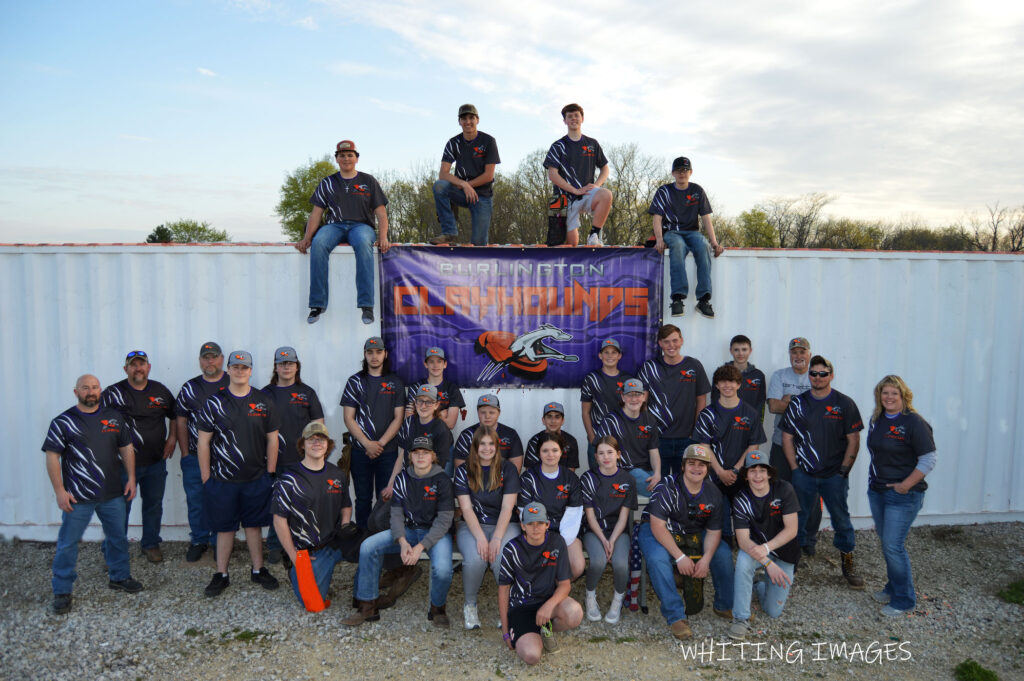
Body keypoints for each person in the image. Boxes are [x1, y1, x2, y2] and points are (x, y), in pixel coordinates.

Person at [45, 374, 142, 615]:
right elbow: (52, 457)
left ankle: (119, 576)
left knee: (118, 537)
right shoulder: (64, 421)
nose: (91, 391)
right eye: (85, 388)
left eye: (95, 387)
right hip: (78, 496)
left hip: (112, 492)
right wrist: (59, 491)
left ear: (100, 390)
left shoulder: (113, 417)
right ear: (76, 391)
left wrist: (131, 477)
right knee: (68, 543)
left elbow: (126, 448)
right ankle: (62, 591)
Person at [344, 437, 454, 627]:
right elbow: (396, 514)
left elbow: (444, 520)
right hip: (408, 531)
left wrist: (420, 547)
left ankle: (437, 608)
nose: (421, 456)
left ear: (433, 456)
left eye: (425, 453)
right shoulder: (403, 477)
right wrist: (402, 542)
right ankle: (367, 606)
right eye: (416, 452)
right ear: (410, 456)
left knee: (443, 569)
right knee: (368, 546)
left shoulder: (442, 479)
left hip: (435, 534)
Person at [196, 350, 281, 597]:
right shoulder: (215, 402)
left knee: (254, 526)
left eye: (245, 368)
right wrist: (205, 476)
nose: (240, 371)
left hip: (255, 478)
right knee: (225, 528)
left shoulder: (263, 401)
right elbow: (203, 443)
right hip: (222, 480)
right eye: (236, 367)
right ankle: (221, 574)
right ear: (229, 370)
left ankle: (258, 570)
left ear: (251, 371)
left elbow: (273, 440)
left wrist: (271, 473)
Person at [780, 355, 865, 588]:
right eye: (814, 373)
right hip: (804, 475)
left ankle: (848, 563)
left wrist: (843, 471)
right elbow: (787, 438)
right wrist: (795, 469)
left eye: (823, 373)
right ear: (810, 376)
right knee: (797, 520)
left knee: (841, 520)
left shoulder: (844, 403)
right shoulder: (798, 403)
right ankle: (791, 564)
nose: (818, 377)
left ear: (831, 375)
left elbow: (853, 439)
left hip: (834, 476)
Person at [638, 443, 734, 641]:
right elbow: (658, 526)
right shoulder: (666, 486)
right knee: (657, 558)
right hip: (658, 529)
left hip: (693, 530)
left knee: (722, 553)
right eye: (691, 463)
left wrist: (706, 559)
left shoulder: (713, 492)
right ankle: (675, 616)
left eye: (702, 464)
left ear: (708, 469)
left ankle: (724, 604)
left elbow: (714, 531)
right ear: (682, 466)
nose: (696, 468)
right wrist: (680, 556)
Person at [295, 139, 390, 325]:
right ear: (336, 159)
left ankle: (366, 306)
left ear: (356, 158)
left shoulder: (368, 181)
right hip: (334, 225)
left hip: (361, 226)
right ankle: (317, 305)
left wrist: (383, 237)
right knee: (319, 243)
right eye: (342, 155)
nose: (346, 158)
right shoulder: (327, 182)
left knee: (363, 244)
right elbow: (316, 213)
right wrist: (306, 238)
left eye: (350, 155)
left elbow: (381, 213)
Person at [866, 375, 936, 616]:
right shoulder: (877, 419)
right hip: (878, 491)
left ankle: (904, 600)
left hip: (903, 495)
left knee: (893, 545)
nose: (889, 397)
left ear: (903, 395)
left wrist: (906, 484)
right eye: (885, 393)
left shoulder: (914, 422)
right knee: (887, 544)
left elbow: (928, 459)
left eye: (894, 393)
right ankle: (892, 587)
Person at [100, 350, 177, 564]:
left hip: (155, 462)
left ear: (148, 367)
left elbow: (175, 415)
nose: (138, 368)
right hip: (122, 466)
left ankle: (150, 544)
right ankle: (113, 550)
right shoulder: (112, 393)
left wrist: (172, 438)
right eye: (133, 365)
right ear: (126, 369)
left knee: (153, 505)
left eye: (141, 364)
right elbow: (97, 422)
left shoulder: (160, 391)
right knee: (119, 509)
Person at [271, 422, 353, 609]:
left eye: (321, 439)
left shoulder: (337, 474)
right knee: (313, 605)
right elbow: (279, 519)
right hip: (307, 551)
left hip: (334, 542)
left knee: (367, 547)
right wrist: (293, 555)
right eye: (311, 440)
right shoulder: (288, 479)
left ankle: (362, 597)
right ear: (302, 445)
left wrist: (345, 526)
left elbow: (346, 506)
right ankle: (296, 568)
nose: (317, 443)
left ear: (328, 444)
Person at [498, 501, 584, 665]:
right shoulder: (512, 549)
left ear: (547, 524)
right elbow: (503, 589)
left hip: (547, 602)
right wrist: (505, 631)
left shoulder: (557, 543)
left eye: (540, 523)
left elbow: (565, 584)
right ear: (523, 526)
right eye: (530, 523)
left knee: (575, 613)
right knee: (532, 656)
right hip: (521, 607)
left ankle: (545, 629)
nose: (535, 528)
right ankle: (532, 632)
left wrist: (549, 605)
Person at [262, 346, 325, 566]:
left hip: (301, 461)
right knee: (277, 505)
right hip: (275, 460)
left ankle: (301, 544)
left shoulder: (306, 392)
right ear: (276, 367)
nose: (286, 367)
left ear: (297, 366)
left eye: (290, 363)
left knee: (302, 504)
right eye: (282, 363)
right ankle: (274, 545)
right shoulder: (265, 394)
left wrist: (315, 455)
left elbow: (318, 425)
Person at [454, 426, 522, 630]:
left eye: (491, 443)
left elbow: (508, 507)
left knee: (501, 557)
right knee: (475, 559)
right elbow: (465, 508)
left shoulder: (508, 469)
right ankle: (470, 604)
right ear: (475, 446)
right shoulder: (463, 470)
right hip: (473, 525)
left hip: (504, 524)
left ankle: (508, 607)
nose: (487, 448)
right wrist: (481, 539)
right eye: (482, 443)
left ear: (497, 446)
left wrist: (497, 539)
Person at [728, 450, 800, 640]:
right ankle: (741, 619)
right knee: (743, 564)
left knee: (773, 611)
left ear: (769, 473)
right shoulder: (741, 499)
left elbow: (792, 530)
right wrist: (768, 563)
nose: (758, 476)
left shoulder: (784, 489)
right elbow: (743, 540)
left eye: (762, 470)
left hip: (783, 551)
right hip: (755, 549)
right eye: (752, 471)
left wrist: (768, 549)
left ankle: (758, 585)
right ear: (746, 475)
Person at [694, 363, 767, 547]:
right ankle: (723, 547)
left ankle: (748, 548)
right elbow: (704, 446)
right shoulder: (707, 414)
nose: (728, 386)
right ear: (717, 385)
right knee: (719, 516)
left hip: (741, 475)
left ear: (739, 384)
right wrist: (720, 472)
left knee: (745, 514)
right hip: (714, 475)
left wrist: (735, 469)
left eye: (732, 382)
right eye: (723, 382)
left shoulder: (750, 413)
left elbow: (754, 445)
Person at [648, 156, 724, 318]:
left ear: (691, 172)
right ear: (673, 173)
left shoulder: (697, 191)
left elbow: (705, 218)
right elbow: (657, 217)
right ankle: (677, 297)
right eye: (678, 171)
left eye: (685, 170)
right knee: (678, 246)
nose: (682, 174)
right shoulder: (664, 191)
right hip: (672, 232)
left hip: (693, 232)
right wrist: (659, 239)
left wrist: (715, 243)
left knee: (703, 246)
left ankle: (703, 299)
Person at [341, 337, 405, 527]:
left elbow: (399, 418)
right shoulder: (355, 381)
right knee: (362, 499)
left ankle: (381, 540)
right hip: (361, 451)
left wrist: (381, 444)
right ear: (365, 355)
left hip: (389, 451)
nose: (374, 356)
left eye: (378, 352)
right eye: (370, 352)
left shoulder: (395, 382)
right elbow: (348, 418)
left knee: (385, 498)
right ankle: (362, 539)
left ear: (385, 354)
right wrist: (368, 443)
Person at [175, 341, 230, 562]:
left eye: (214, 356)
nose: (210, 361)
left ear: (222, 359)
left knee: (222, 501)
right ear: (200, 361)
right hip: (195, 456)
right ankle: (199, 539)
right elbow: (180, 421)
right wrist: (185, 453)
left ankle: (220, 542)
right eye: (205, 357)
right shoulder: (189, 388)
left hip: (225, 458)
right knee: (196, 500)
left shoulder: (233, 382)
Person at [766, 337, 822, 546]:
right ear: (790, 355)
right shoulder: (780, 375)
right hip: (781, 444)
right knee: (778, 489)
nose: (798, 356)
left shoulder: (817, 376)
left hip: (810, 447)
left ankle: (808, 538)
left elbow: (821, 411)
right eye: (794, 352)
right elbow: (773, 406)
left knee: (812, 494)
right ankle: (780, 536)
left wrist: (790, 401)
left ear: (809, 354)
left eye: (802, 352)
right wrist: (806, 405)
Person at [638, 324, 710, 479]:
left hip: (687, 439)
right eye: (666, 341)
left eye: (675, 340)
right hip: (657, 440)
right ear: (660, 344)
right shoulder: (649, 367)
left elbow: (701, 400)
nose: (671, 345)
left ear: (682, 341)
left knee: (685, 487)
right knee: (659, 488)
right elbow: (641, 403)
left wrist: (696, 431)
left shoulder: (694, 365)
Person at [580, 436, 638, 624]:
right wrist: (604, 540)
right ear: (595, 457)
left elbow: (624, 517)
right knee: (598, 561)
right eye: (601, 453)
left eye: (610, 452)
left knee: (621, 564)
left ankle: (617, 601)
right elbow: (589, 516)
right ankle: (590, 596)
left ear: (618, 455)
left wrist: (612, 540)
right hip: (594, 531)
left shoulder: (627, 480)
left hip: (618, 531)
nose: (606, 457)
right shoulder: (588, 478)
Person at [429, 104, 501, 246]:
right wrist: (463, 185)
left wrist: (469, 185)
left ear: (477, 120)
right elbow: (443, 174)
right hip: (461, 192)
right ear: (459, 122)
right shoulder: (453, 143)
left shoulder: (488, 141)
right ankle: (449, 231)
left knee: (479, 244)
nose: (468, 122)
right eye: (464, 118)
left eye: (471, 118)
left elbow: (489, 176)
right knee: (439, 186)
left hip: (482, 195)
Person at [543, 103, 613, 247]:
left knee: (606, 195)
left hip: (585, 195)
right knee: (568, 245)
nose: (573, 119)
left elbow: (605, 168)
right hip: (561, 199)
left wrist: (596, 186)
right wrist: (575, 190)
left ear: (582, 118)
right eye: (569, 116)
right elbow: (552, 175)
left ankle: (594, 235)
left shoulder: (592, 144)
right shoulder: (558, 146)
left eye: (576, 115)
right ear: (565, 121)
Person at [517, 433, 585, 579]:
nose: (550, 455)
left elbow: (574, 512)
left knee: (577, 566)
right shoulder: (528, 478)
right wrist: (542, 535)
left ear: (561, 452)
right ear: (538, 453)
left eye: (555, 450)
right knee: (537, 565)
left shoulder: (571, 478)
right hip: (536, 530)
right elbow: (525, 512)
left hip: (565, 531)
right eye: (545, 450)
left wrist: (560, 541)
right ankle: (542, 593)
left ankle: (556, 592)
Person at [594, 378, 662, 497]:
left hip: (646, 470)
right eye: (629, 395)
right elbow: (603, 454)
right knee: (661, 493)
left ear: (643, 397)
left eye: (637, 394)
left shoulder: (649, 420)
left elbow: (654, 451)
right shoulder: (611, 420)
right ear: (623, 397)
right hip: (624, 471)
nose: (634, 399)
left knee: (665, 487)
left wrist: (657, 473)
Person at [384, 384, 455, 493]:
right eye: (420, 401)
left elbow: (439, 467)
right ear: (415, 403)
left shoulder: (441, 429)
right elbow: (402, 455)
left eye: (429, 402)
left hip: (431, 478)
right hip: (411, 475)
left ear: (436, 405)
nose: (423, 406)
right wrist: (391, 483)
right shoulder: (408, 422)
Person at [581, 338, 634, 470]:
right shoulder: (591, 379)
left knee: (621, 480)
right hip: (599, 437)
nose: (610, 356)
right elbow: (585, 411)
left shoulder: (628, 380)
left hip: (622, 438)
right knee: (597, 478)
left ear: (619, 356)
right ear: (600, 355)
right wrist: (592, 437)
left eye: (614, 352)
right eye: (606, 352)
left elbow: (634, 409)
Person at [453, 394, 524, 471]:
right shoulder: (466, 435)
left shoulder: (510, 434)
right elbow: (460, 468)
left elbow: (515, 469)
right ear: (478, 412)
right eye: (483, 412)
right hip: (473, 480)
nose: (487, 416)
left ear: (499, 413)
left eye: (492, 412)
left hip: (502, 480)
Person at [403, 346, 465, 431]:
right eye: (431, 361)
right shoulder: (416, 387)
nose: (435, 365)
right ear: (426, 364)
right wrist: (440, 415)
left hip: (443, 440)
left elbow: (450, 424)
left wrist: (423, 414)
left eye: (439, 361)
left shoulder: (452, 389)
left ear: (445, 364)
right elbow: (410, 420)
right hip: (419, 439)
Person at [711, 335, 766, 419]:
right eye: (736, 350)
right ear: (731, 351)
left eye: (744, 349)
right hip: (725, 423)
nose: (740, 353)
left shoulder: (758, 375)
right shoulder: (720, 373)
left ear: (750, 351)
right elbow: (715, 400)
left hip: (749, 423)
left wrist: (757, 423)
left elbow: (761, 403)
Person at [524, 401, 580, 471]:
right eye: (549, 417)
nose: (553, 421)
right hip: (538, 481)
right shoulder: (534, 441)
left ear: (563, 420)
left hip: (563, 481)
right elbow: (530, 472)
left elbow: (571, 473)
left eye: (557, 417)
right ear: (543, 420)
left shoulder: (571, 441)